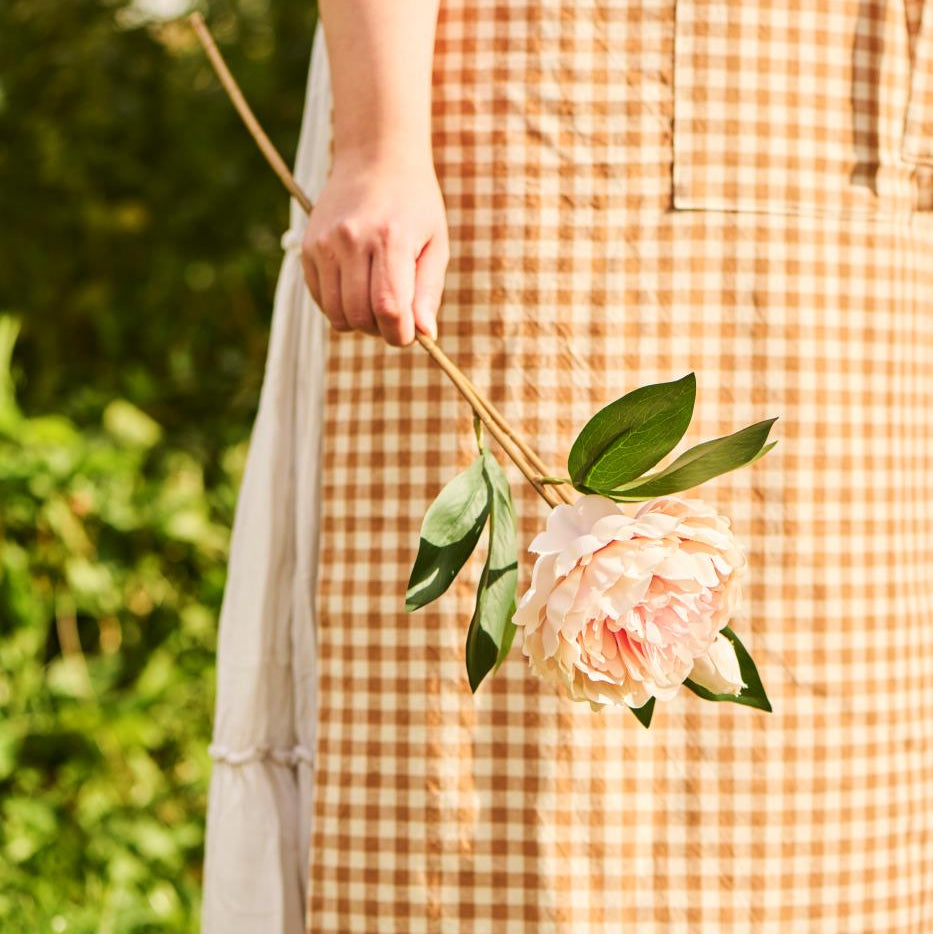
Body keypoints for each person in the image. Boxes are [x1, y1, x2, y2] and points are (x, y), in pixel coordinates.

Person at [214, 0, 933, 930]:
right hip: (556, 120)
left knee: (847, 739)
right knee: (527, 775)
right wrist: (378, 141)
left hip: (861, 142)